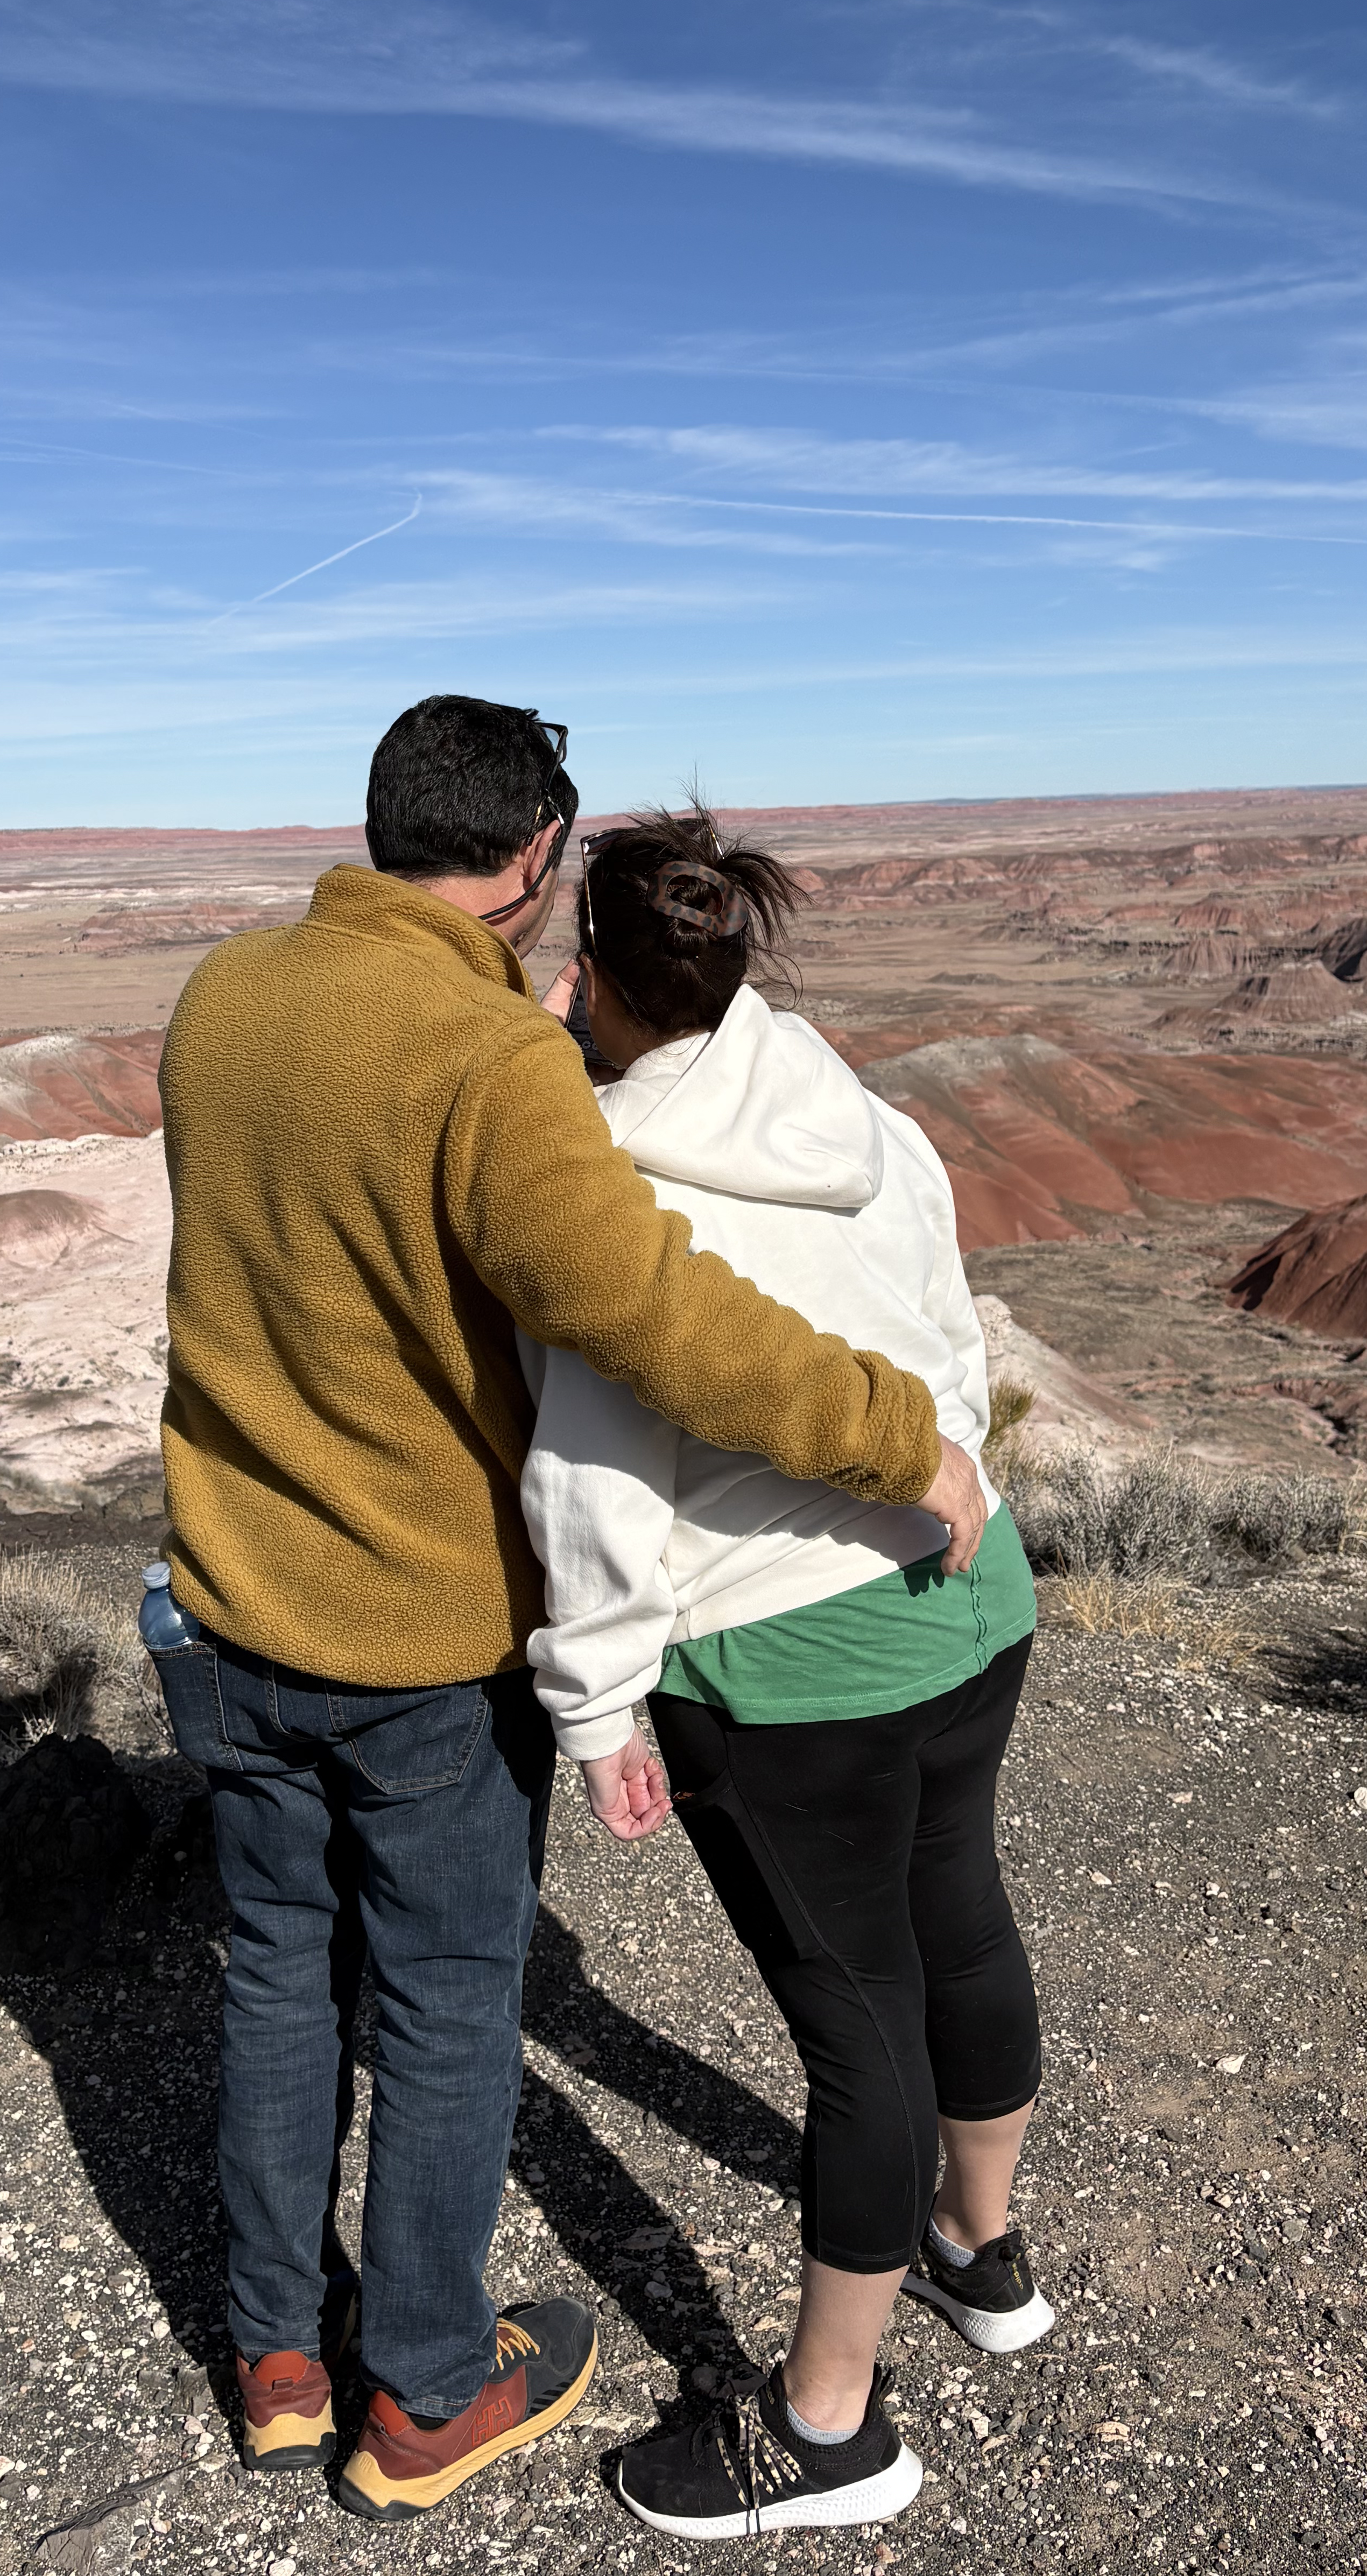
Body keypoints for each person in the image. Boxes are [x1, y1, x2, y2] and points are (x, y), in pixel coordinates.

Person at [148, 699, 984, 2524]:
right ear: (535, 861)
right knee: (450, 2007)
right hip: (415, 1636)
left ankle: (279, 2363)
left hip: (224, 1607)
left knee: (284, 1980)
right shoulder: (487, 1054)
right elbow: (653, 1318)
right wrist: (897, 1445)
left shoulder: (224, 997)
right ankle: (427, 2393)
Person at [518, 806, 1051, 2543]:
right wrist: (952, 1498)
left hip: (783, 1651)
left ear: (587, 972)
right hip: (966, 1591)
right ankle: (984, 2253)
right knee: (956, 1920)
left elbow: (592, 1479)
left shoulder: (605, 1186)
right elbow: (951, 1344)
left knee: (856, 2017)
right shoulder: (868, 1115)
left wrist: (593, 1703)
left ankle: (826, 2430)